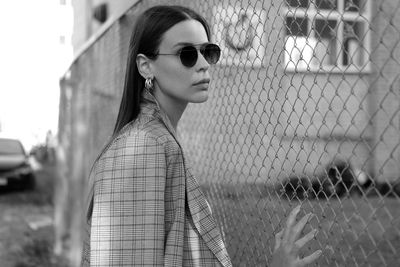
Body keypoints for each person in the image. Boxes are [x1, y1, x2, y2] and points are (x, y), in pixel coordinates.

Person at [81, 5, 322, 267]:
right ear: (146, 66)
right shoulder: (142, 148)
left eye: (208, 52)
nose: (204, 64)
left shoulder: (158, 139)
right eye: (186, 54)